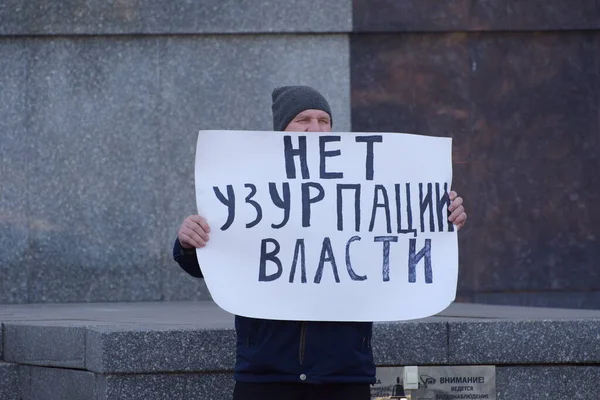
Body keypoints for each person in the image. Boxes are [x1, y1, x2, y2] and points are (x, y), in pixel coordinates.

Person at [173, 86, 467, 400]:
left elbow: (395, 240)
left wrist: (439, 220)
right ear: (281, 129)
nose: (316, 128)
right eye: (303, 119)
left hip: (344, 374)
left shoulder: (364, 187)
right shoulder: (248, 184)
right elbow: (213, 262)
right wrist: (189, 242)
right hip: (266, 374)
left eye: (324, 120)